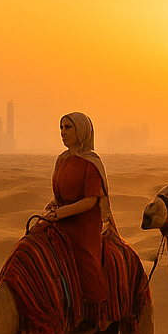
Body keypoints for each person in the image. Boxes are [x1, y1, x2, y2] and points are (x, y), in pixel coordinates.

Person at [42, 111, 115, 304]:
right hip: (59, 220)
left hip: (83, 226)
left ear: (81, 131)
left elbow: (91, 200)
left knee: (85, 263)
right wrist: (52, 206)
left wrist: (60, 213)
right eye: (61, 127)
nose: (63, 132)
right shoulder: (62, 160)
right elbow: (60, 195)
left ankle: (96, 306)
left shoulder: (90, 163)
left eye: (68, 127)